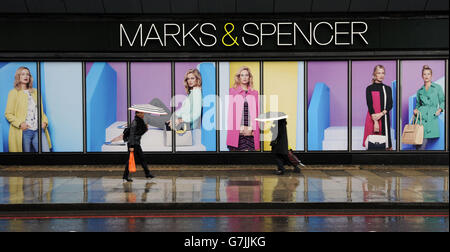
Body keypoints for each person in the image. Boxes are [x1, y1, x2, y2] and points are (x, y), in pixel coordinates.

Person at [4, 66, 51, 152]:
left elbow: (41, 111)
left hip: (38, 129)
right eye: (23, 74)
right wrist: (20, 124)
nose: (26, 76)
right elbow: (8, 114)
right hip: (24, 131)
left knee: (45, 153)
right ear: (18, 76)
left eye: (27, 74)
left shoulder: (36, 92)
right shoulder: (13, 93)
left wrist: (44, 122)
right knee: (25, 160)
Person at [226, 66, 260, 151]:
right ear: (238, 77)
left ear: (249, 77)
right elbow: (229, 113)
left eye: (246, 75)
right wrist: (240, 128)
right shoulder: (232, 92)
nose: (244, 77)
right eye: (242, 75)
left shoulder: (254, 93)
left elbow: (257, 113)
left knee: (250, 160)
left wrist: (250, 129)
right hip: (237, 131)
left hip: (250, 131)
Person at [413, 65, 445, 150]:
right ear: (422, 76)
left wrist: (440, 109)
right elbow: (418, 105)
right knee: (419, 142)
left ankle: (420, 161)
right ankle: (419, 161)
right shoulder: (419, 91)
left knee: (423, 142)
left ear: (431, 75)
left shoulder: (437, 88)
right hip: (421, 118)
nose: (426, 76)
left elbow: (443, 101)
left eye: (428, 74)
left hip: (432, 117)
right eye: (424, 74)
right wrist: (415, 110)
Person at [363, 65, 393, 150]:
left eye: (383, 73)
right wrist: (375, 121)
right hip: (372, 118)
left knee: (386, 145)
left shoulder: (387, 89)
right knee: (372, 144)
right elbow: (370, 105)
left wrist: (381, 114)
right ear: (374, 74)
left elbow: (390, 104)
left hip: (384, 118)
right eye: (379, 73)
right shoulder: (369, 88)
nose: (381, 75)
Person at [123, 110, 154, 182]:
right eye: (141, 113)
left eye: (143, 112)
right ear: (137, 114)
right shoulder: (135, 122)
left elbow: (139, 133)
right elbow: (132, 134)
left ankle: (147, 173)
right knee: (130, 160)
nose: (143, 114)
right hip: (133, 144)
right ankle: (125, 176)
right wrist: (131, 146)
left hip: (136, 143)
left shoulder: (140, 121)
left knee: (142, 158)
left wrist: (145, 129)